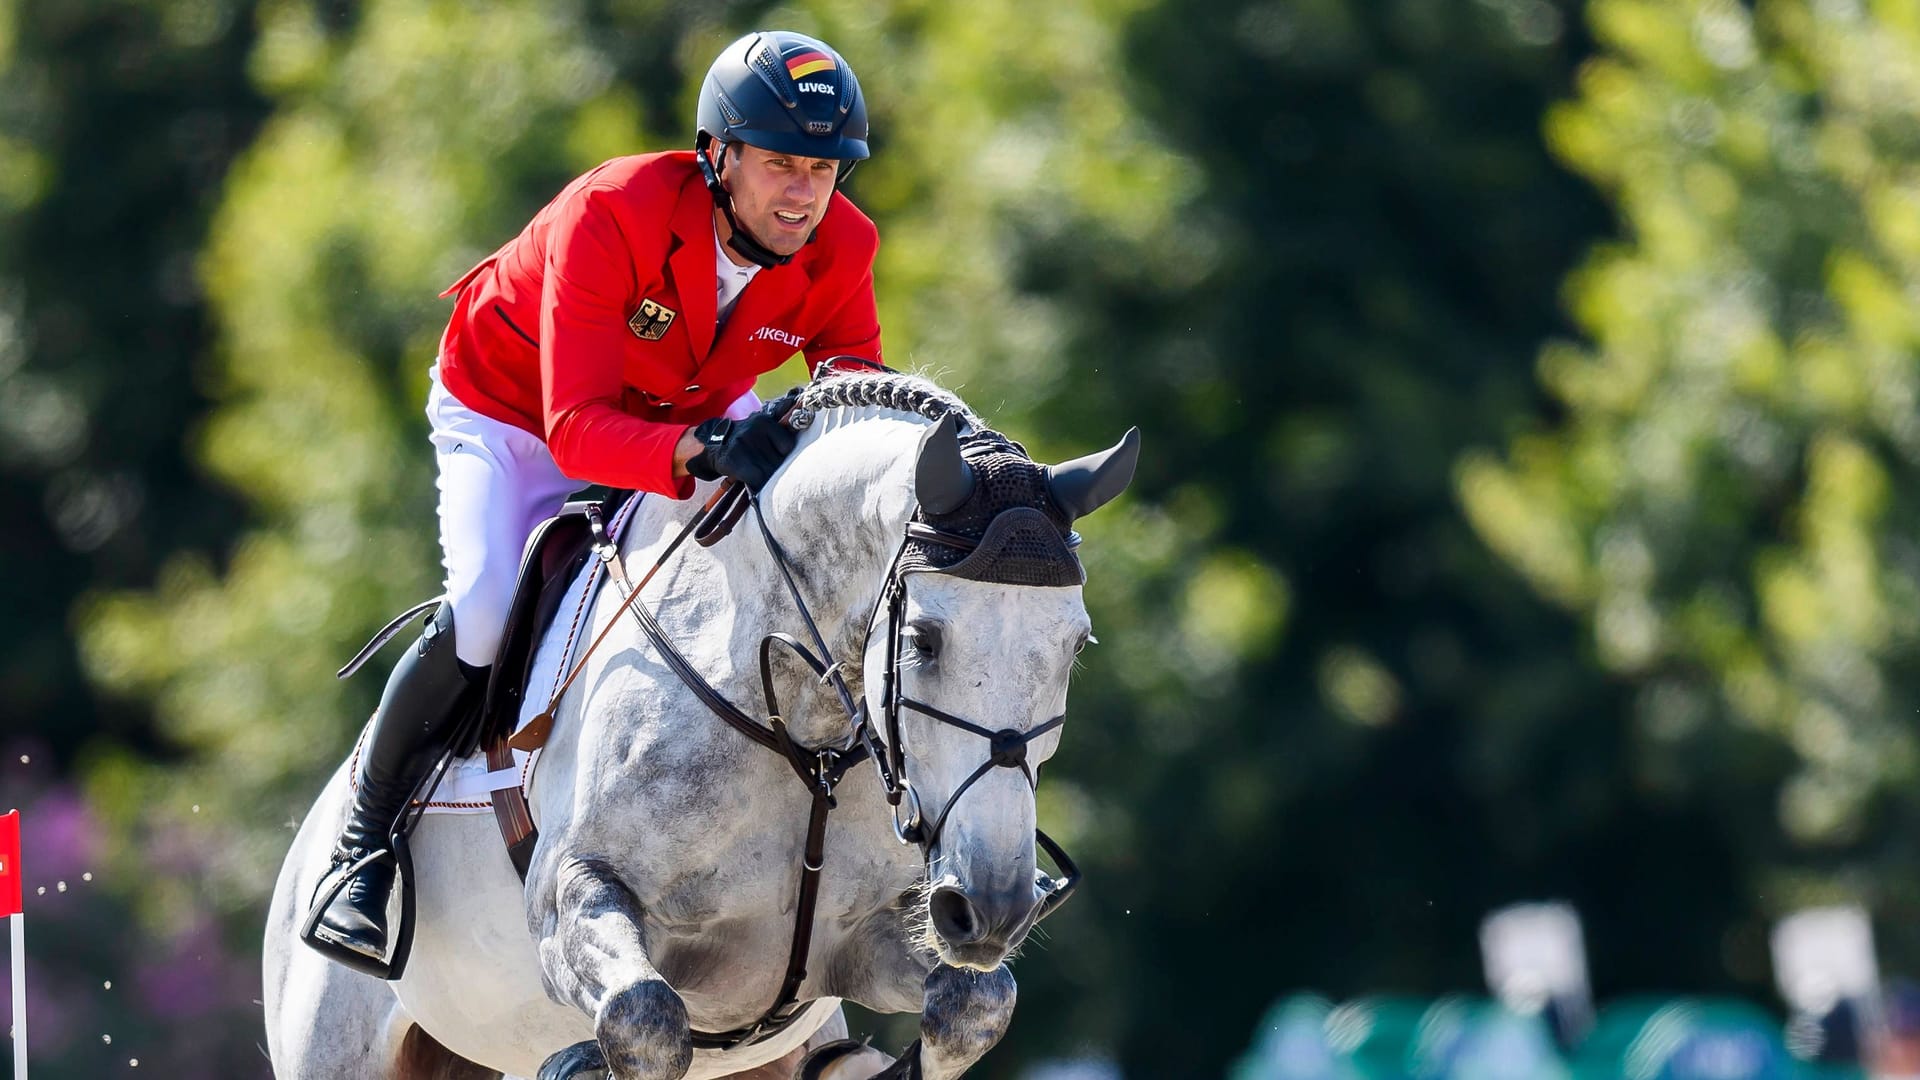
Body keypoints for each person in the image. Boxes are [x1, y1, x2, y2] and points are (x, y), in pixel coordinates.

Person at [303, 29, 884, 971]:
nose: (804, 194)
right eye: (780, 163)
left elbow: (855, 399)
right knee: (490, 608)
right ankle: (362, 845)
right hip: (512, 414)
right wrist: (708, 449)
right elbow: (576, 428)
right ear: (719, 155)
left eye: (824, 169)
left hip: (689, 405)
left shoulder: (844, 246)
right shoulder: (616, 208)